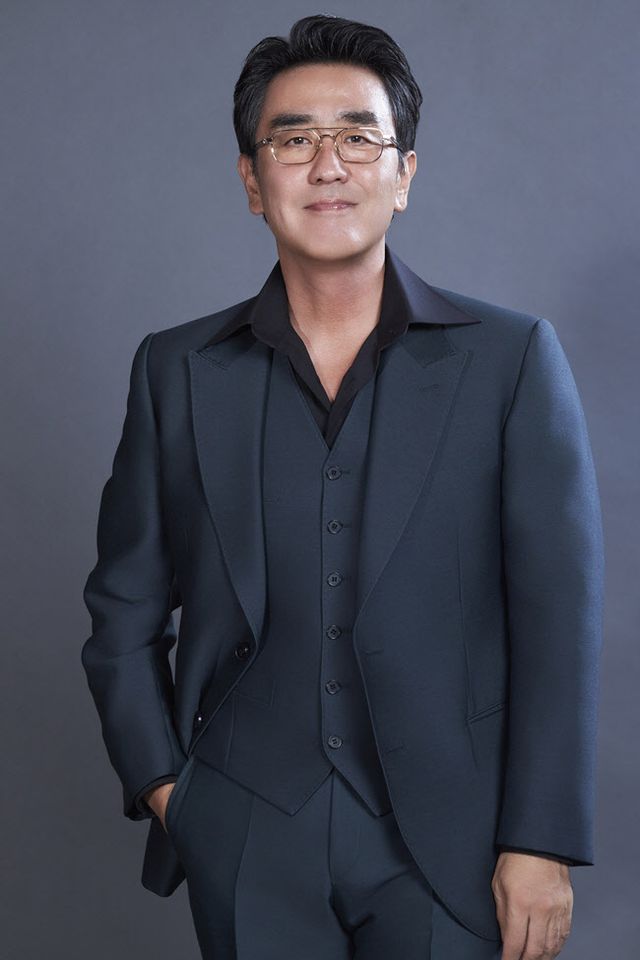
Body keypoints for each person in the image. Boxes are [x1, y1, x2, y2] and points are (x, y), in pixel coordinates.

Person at [81, 14, 604, 960]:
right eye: (294, 141)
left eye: (359, 138)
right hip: (244, 822)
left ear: (404, 175)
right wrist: (170, 792)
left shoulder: (511, 360)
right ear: (253, 181)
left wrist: (540, 839)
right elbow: (122, 610)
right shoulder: (176, 370)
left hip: (454, 834)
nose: (328, 166)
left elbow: (557, 620)